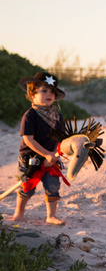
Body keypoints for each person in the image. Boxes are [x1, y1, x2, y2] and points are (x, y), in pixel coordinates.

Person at [13, 72, 68, 225]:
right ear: (32, 94)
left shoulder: (57, 115)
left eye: (52, 91)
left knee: (52, 186)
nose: (49, 94)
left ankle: (51, 216)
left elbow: (61, 138)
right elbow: (28, 139)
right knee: (27, 186)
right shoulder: (30, 115)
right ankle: (20, 211)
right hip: (30, 158)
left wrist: (57, 154)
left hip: (51, 157)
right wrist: (46, 153)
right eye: (44, 90)